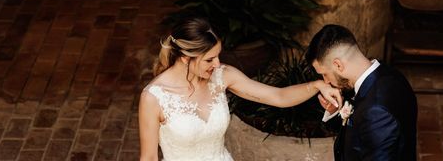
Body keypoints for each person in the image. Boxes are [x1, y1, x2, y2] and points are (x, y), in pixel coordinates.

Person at [138, 17, 342, 161]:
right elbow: (148, 157)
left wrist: (317, 85)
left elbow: (278, 96)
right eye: (209, 59)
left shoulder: (223, 76)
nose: (217, 64)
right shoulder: (154, 97)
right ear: (185, 58)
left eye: (218, 55)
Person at [306, 24, 417, 161]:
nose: (326, 81)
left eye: (324, 74)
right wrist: (336, 110)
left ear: (338, 65)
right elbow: (359, 131)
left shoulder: (376, 112)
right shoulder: (389, 74)